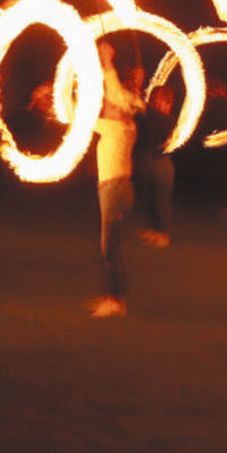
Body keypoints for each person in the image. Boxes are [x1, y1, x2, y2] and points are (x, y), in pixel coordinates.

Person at [88, 41, 145, 318]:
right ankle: (114, 298)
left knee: (109, 248)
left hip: (115, 190)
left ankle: (115, 301)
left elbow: (85, 113)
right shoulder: (121, 126)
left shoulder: (117, 128)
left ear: (120, 110)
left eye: (109, 106)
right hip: (113, 189)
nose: (104, 107)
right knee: (110, 248)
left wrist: (106, 60)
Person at [134, 84, 176, 248]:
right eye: (155, 100)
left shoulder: (168, 120)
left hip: (161, 166)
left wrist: (138, 101)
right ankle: (155, 231)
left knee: (160, 200)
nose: (157, 104)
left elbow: (151, 117)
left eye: (162, 101)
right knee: (151, 199)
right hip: (149, 164)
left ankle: (163, 234)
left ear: (169, 104)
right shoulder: (147, 116)